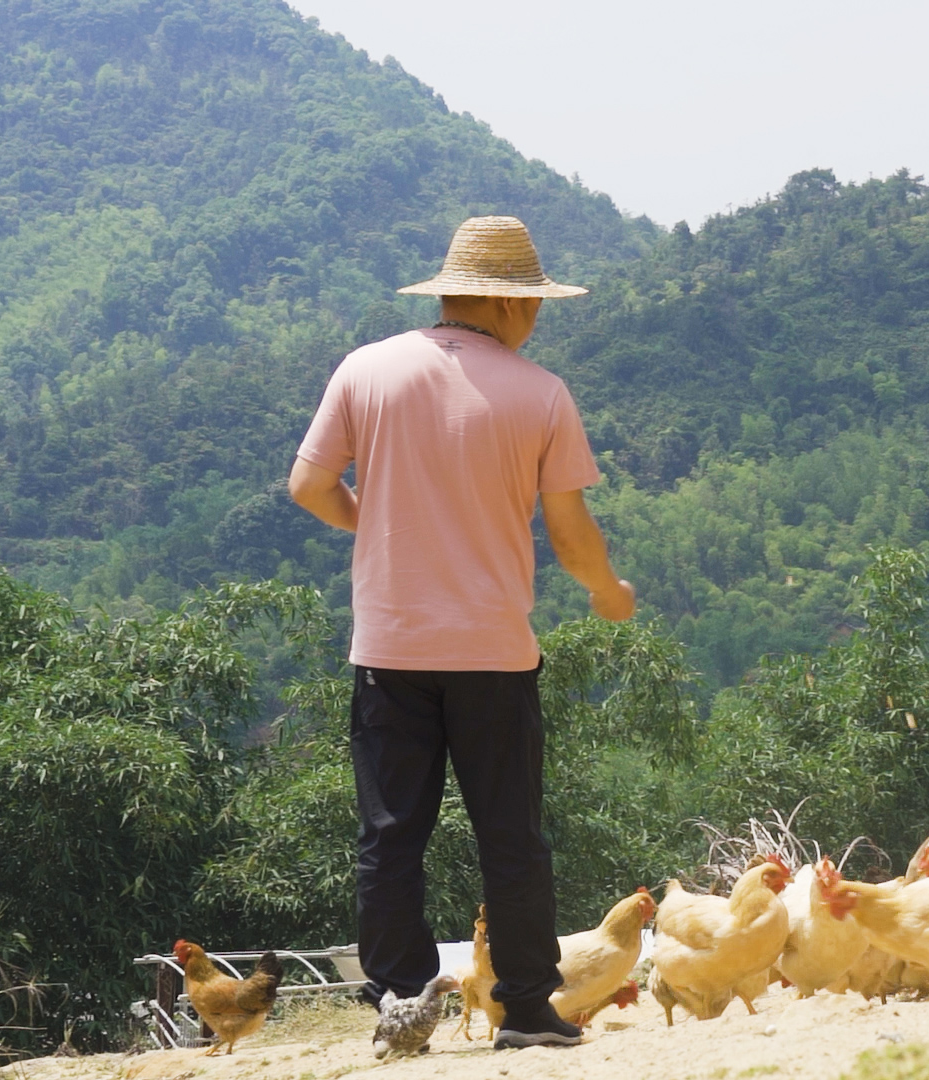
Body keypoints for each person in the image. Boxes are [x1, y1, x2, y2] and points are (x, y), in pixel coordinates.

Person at [289, 215, 634, 1050]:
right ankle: (525, 1008)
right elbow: (570, 530)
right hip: (492, 652)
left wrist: (377, 523)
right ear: (508, 303)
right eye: (535, 303)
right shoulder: (539, 391)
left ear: (447, 292)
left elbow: (308, 485)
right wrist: (606, 590)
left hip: (389, 650)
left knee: (390, 836)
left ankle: (403, 999)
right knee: (511, 835)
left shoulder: (365, 370)